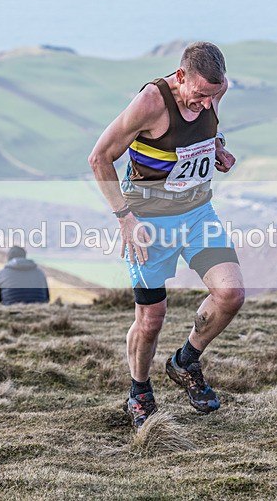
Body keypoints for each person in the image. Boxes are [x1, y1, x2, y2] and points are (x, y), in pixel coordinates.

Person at [88, 41, 245, 429]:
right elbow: (99, 157)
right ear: (180, 77)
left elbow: (206, 132)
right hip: (148, 219)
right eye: (199, 95)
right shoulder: (150, 104)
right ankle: (139, 391)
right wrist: (125, 218)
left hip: (197, 212)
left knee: (230, 295)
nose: (206, 103)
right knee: (151, 317)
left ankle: (185, 360)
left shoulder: (214, 88)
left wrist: (218, 148)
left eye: (214, 95)